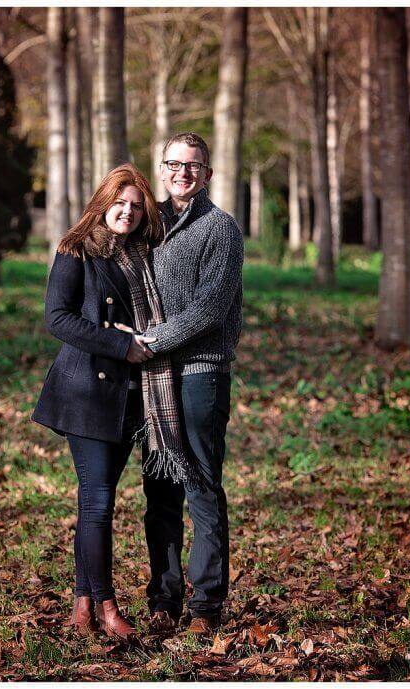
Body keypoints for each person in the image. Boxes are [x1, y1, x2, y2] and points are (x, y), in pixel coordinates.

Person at [32, 163, 201, 641]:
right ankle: (107, 606)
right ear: (102, 204)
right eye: (119, 203)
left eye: (136, 206)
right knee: (99, 503)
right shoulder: (76, 249)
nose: (127, 212)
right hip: (87, 394)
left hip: (132, 398)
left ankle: (83, 605)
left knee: (93, 503)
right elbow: (57, 318)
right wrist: (119, 343)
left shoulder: (144, 255)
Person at [139, 133, 244, 636]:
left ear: (207, 174)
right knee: (159, 487)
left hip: (201, 370)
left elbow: (210, 308)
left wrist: (153, 340)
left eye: (193, 165)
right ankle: (163, 599)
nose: (183, 172)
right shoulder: (146, 223)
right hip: (153, 377)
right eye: (174, 164)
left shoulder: (220, 229)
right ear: (162, 169)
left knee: (200, 483)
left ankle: (206, 605)